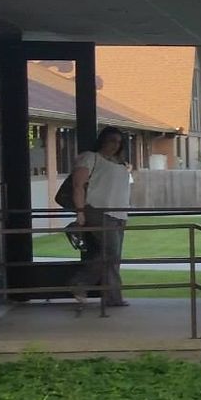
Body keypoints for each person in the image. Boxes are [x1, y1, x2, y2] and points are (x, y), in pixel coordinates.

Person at [70, 127, 132, 308]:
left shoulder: (120, 163)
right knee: (111, 252)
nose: (115, 145)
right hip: (98, 211)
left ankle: (113, 297)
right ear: (103, 140)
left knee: (113, 256)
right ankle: (80, 283)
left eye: (119, 142)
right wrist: (80, 212)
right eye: (112, 140)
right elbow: (78, 185)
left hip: (119, 213)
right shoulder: (90, 157)